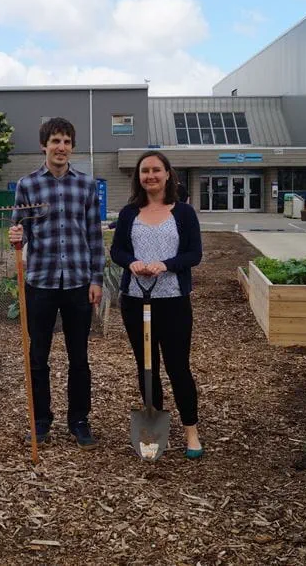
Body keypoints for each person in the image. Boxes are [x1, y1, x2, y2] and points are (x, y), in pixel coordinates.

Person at [8, 117, 104, 450]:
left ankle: (79, 420)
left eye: (66, 141)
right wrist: (14, 238)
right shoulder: (28, 186)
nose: (60, 147)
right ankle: (40, 420)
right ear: (44, 146)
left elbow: (94, 235)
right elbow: (17, 234)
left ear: (72, 147)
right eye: (55, 141)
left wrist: (97, 279)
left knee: (79, 357)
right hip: (41, 282)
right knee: (38, 356)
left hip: (78, 282)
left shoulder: (87, 186)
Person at [109, 151, 205, 459]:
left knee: (178, 367)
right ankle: (155, 431)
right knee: (147, 366)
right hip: (136, 300)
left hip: (173, 301)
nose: (150, 175)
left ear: (167, 174)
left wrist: (166, 265)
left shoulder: (183, 213)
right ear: (139, 177)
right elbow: (117, 251)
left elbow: (194, 254)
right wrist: (133, 262)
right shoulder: (128, 213)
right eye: (144, 171)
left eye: (156, 170)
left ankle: (191, 431)